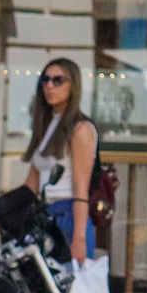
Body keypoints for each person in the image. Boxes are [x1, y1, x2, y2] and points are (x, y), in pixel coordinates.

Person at [23, 58, 101, 267]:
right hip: (45, 215)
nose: (49, 86)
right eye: (45, 80)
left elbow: (80, 187)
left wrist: (79, 239)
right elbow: (31, 184)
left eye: (58, 80)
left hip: (69, 214)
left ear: (73, 85)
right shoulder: (47, 125)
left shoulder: (80, 128)